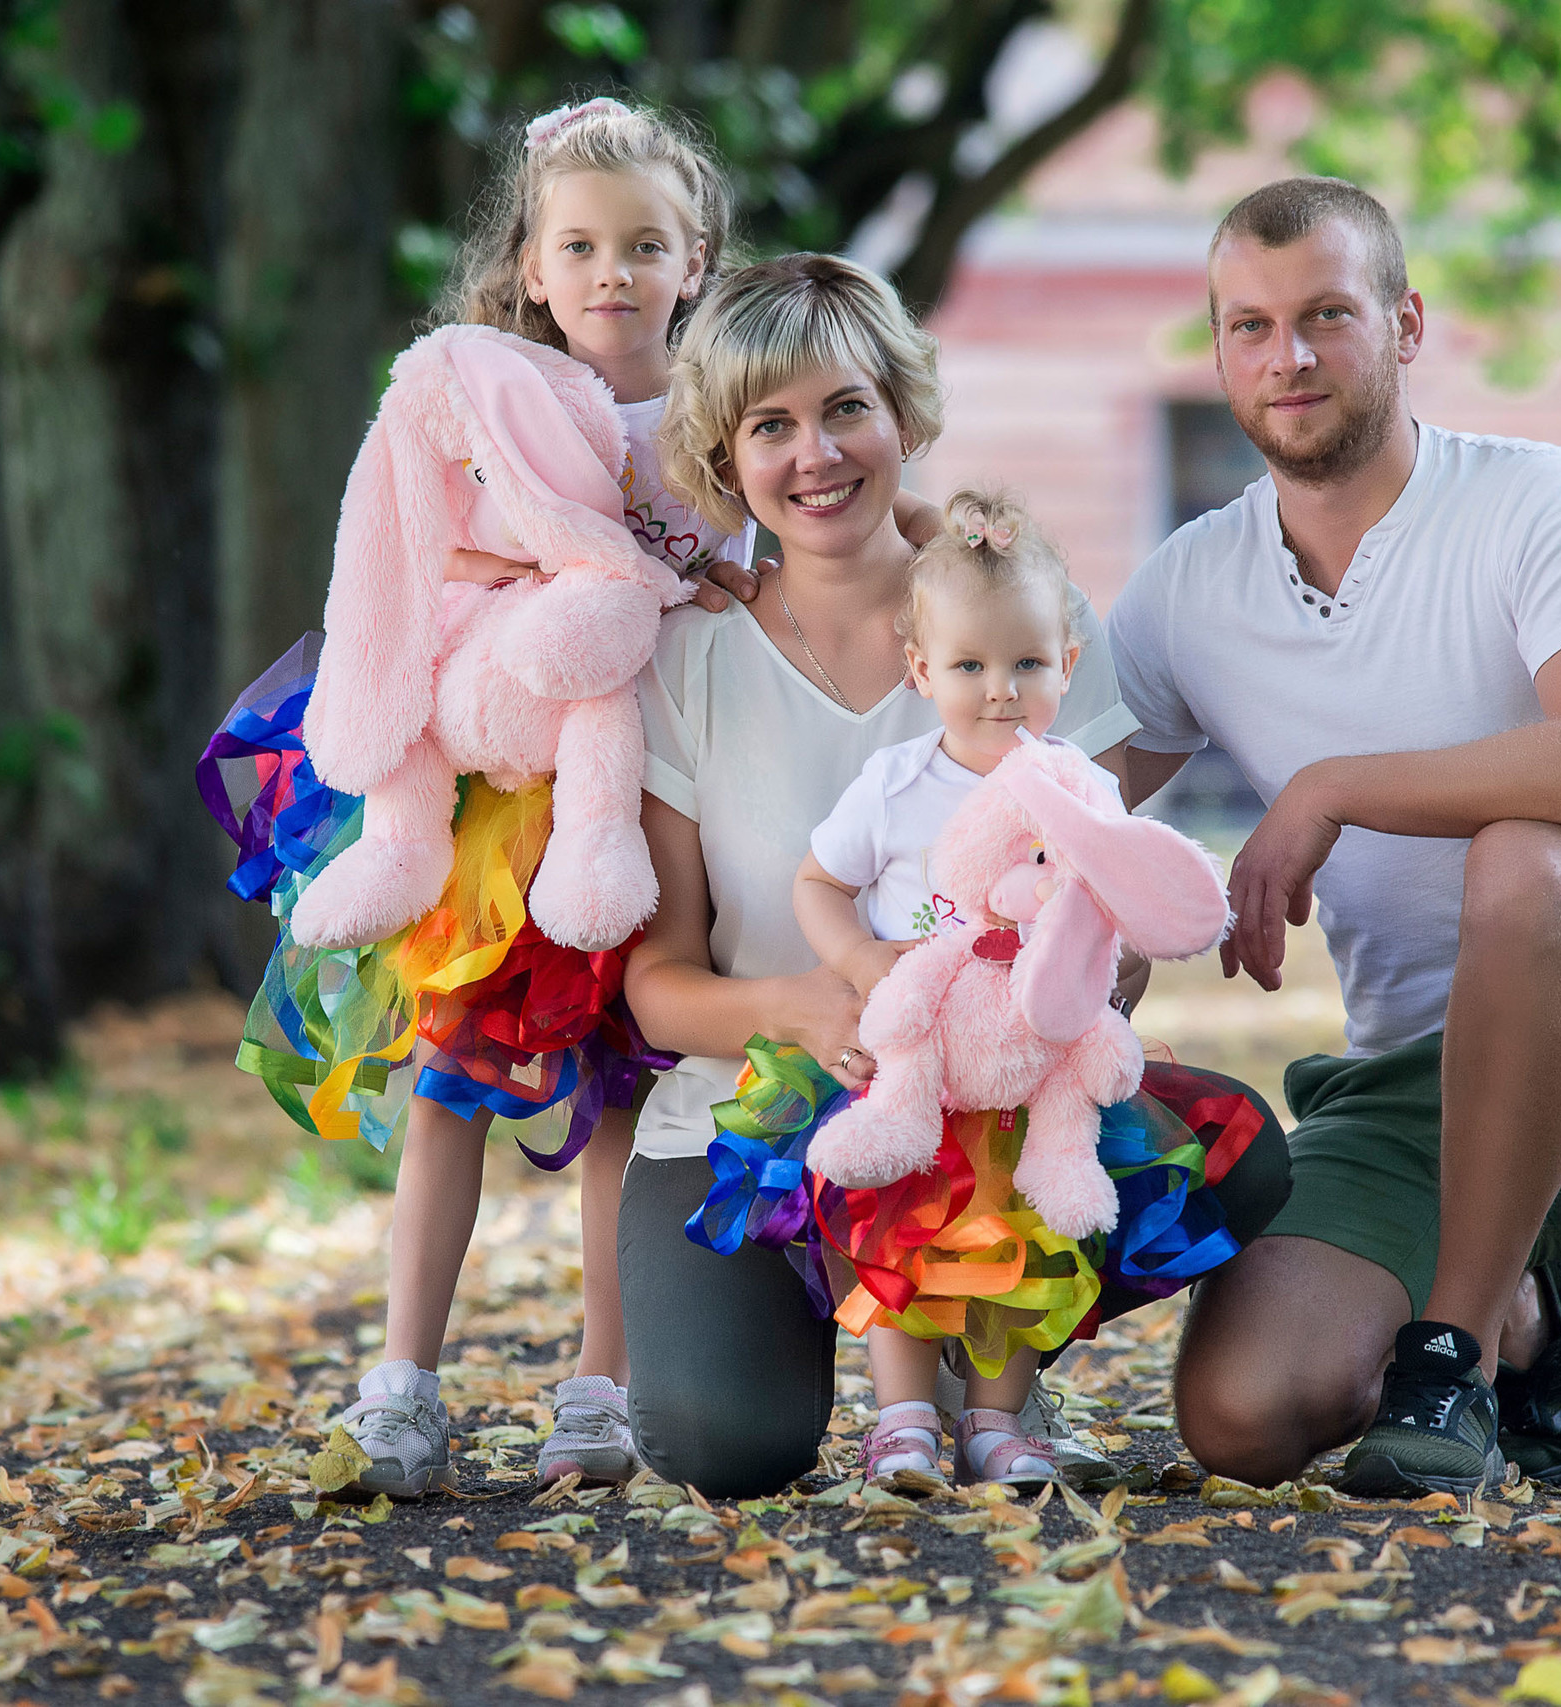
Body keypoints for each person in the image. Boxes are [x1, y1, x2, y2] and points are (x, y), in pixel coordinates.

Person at [1110, 177, 1561, 1496]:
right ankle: (1529, 1316)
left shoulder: (1534, 498)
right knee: (1239, 1416)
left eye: (1326, 315)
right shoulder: (1189, 586)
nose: (1288, 358)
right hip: (1412, 1094)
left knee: (1524, 856)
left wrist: (1332, 786)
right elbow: (1044, 801)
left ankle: (1449, 1353)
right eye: (1250, 326)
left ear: (1405, 324)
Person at [617, 254, 1291, 1498]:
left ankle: (990, 1353)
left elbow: (1107, 907)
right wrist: (801, 1008)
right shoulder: (683, 661)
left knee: (1238, 1155)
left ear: (903, 416)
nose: (815, 454)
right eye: (770, 426)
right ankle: (877, 1349)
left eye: (846, 409)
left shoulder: (1025, 629)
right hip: (752, 1107)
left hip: (993, 1096)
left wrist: (1081, 970)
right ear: (725, 454)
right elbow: (654, 988)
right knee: (725, 1445)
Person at [328, 96, 756, 1499]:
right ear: (529, 265)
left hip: (661, 790)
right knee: (452, 1076)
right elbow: (423, 552)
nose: (611, 272)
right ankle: (403, 1383)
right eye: (578, 246)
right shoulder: (487, 400)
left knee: (627, 1082)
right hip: (511, 793)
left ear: (696, 260)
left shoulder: (718, 414)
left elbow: (761, 561)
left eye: (644, 244)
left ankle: (603, 1380)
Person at [793, 491, 1127, 1488]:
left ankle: (995, 1418)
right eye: (970, 665)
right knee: (902, 1224)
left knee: (1026, 1236)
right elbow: (817, 883)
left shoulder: (1080, 790)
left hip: (1031, 1066)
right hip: (922, 1065)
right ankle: (902, 1417)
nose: (1000, 690)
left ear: (1068, 663)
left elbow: (1120, 904)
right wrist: (862, 963)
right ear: (921, 670)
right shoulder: (895, 785)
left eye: (1028, 663)